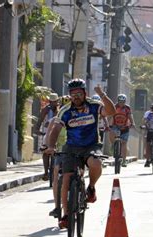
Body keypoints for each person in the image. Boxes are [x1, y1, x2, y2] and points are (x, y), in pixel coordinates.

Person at [45, 79, 115, 229]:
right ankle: (66, 215)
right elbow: (56, 129)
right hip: (72, 147)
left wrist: (102, 94)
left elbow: (111, 111)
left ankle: (91, 187)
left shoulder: (94, 106)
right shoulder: (66, 110)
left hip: (91, 145)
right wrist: (51, 146)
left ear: (85, 93)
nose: (76, 97)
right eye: (73, 94)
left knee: (95, 163)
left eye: (79, 93)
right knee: (66, 178)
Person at [46, 95, 70, 218]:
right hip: (60, 151)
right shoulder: (55, 120)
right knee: (56, 175)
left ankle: (81, 191)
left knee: (80, 170)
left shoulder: (78, 118)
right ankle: (57, 206)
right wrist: (46, 146)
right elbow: (49, 134)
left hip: (75, 150)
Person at [34, 93, 59, 181]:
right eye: (51, 102)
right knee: (45, 152)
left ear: (57, 102)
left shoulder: (60, 109)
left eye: (54, 102)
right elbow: (40, 119)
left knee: (59, 151)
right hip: (47, 132)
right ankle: (46, 172)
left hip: (58, 132)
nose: (53, 104)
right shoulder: (46, 109)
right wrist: (37, 129)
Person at [108, 94, 136, 167]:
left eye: (123, 102)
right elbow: (110, 116)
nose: (121, 103)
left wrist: (133, 123)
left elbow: (130, 116)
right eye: (120, 102)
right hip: (115, 126)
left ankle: (124, 161)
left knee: (124, 143)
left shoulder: (127, 108)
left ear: (125, 101)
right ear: (118, 101)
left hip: (124, 127)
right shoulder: (114, 106)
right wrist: (108, 124)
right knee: (111, 132)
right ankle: (113, 145)